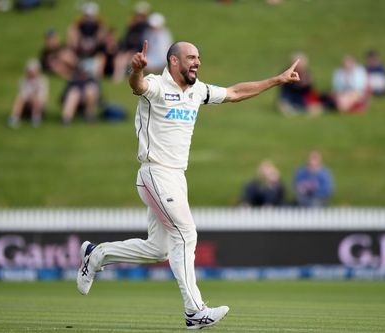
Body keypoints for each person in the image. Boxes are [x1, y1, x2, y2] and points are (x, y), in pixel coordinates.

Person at [76, 40, 301, 329]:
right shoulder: (156, 86)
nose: (197, 62)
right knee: (186, 233)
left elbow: (234, 92)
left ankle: (97, 255)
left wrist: (277, 80)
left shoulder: (198, 91)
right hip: (155, 172)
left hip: (176, 178)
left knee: (158, 249)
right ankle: (194, 310)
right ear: (173, 61)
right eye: (191, 57)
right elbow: (138, 86)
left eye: (198, 58)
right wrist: (135, 70)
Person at [113, 1, 151, 83]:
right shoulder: (132, 26)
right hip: (129, 50)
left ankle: (126, 78)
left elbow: (144, 42)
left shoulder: (145, 28)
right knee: (120, 57)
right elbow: (126, 40)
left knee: (125, 58)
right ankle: (117, 77)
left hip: (139, 51)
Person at [8, 59, 48, 128]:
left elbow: (42, 97)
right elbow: (22, 93)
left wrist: (32, 96)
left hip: (39, 105)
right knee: (19, 98)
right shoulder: (22, 80)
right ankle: (14, 118)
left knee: (36, 98)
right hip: (26, 104)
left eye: (33, 71)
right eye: (30, 71)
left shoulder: (42, 81)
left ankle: (36, 118)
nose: (31, 73)